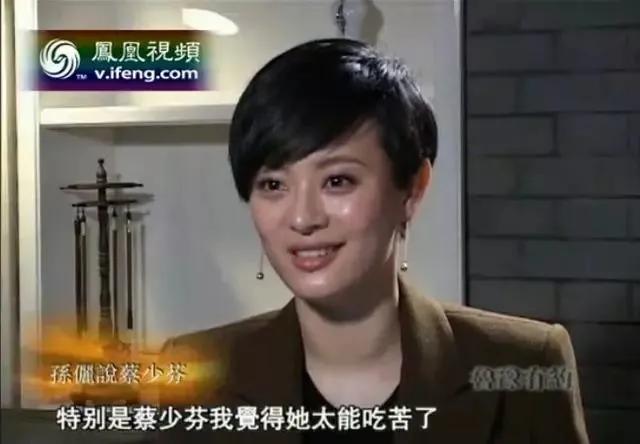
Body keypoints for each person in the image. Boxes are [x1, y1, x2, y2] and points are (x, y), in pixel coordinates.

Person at [155, 38, 589, 444]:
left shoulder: (526, 364)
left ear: (413, 189)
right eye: (273, 185)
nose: (303, 218)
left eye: (337, 180)